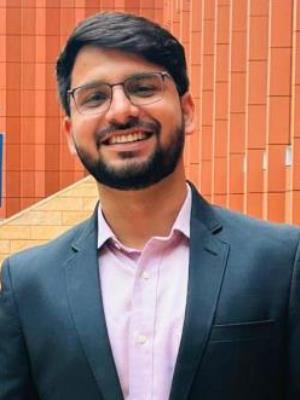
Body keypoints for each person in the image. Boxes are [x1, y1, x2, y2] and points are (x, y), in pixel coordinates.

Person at [0, 11, 300, 400]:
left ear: (187, 110)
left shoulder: (281, 262)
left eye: (143, 88)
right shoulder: (27, 284)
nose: (121, 111)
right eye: (95, 97)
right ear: (71, 135)